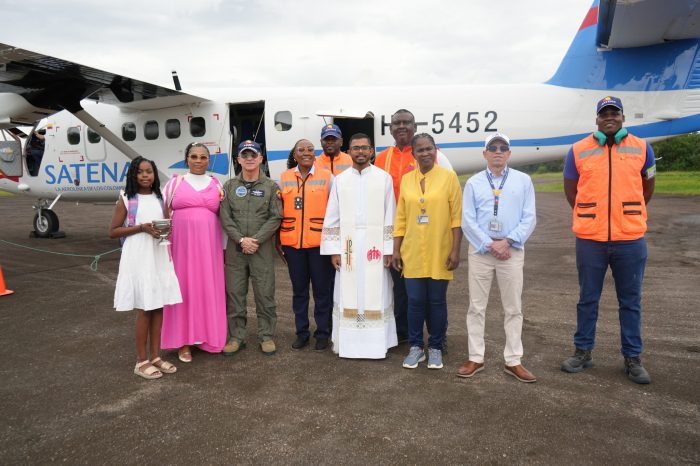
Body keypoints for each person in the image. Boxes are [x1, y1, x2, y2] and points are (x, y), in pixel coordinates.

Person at [561, 96, 656, 385]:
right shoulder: (578, 150)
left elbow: (647, 187)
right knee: (587, 299)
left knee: (630, 301)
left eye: (614, 113)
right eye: (604, 114)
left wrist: (627, 214)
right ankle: (583, 351)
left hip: (630, 238)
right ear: (597, 119)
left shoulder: (642, 148)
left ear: (623, 118)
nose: (609, 117)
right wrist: (593, 217)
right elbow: (571, 191)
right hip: (591, 239)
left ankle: (632, 358)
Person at [458, 132, 537, 383]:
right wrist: (489, 244)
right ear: (485, 154)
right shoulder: (474, 183)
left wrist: (508, 241)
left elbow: (529, 217)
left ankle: (513, 360)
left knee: (513, 308)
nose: (498, 151)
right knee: (476, 307)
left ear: (509, 153)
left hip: (511, 250)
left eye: (503, 147)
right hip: (482, 252)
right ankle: (475, 357)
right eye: (493, 147)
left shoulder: (523, 181)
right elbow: (467, 220)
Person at [374, 109, 453, 344]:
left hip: (430, 234)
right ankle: (406, 335)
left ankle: (439, 337)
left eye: (406, 122)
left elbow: (450, 196)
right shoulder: (381, 158)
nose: (401, 126)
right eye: (396, 122)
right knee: (402, 289)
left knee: (433, 290)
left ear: (414, 126)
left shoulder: (433, 154)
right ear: (389, 129)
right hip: (397, 234)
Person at [320, 133, 398, 359]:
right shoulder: (340, 180)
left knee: (377, 292)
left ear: (372, 151)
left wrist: (387, 249)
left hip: (375, 247)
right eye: (356, 148)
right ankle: (349, 344)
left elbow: (389, 215)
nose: (361, 152)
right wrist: (334, 250)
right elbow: (332, 216)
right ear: (349, 151)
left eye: (365, 148)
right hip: (349, 245)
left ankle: (377, 344)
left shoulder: (383, 178)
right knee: (348, 290)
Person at [392, 134, 462, 370]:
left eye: (429, 149)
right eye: (420, 150)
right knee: (414, 301)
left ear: (435, 151)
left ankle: (435, 347)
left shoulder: (448, 178)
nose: (425, 153)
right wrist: (396, 250)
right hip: (412, 250)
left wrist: (455, 249)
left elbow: (456, 218)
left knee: (436, 301)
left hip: (439, 249)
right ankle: (415, 347)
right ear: (413, 154)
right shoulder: (406, 180)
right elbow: (400, 218)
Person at [110, 156, 182, 379]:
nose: (145, 175)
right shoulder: (126, 198)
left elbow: (167, 224)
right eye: (140, 172)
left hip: (158, 254)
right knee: (144, 307)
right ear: (133, 174)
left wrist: (164, 230)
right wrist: (141, 227)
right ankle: (141, 361)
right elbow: (113, 231)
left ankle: (155, 356)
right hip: (139, 256)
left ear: (154, 174)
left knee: (158, 306)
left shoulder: (160, 198)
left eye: (149, 171)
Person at [161, 143, 227, 362]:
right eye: (194, 156)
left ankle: (207, 337)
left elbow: (224, 218)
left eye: (203, 157)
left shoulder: (217, 184)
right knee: (184, 290)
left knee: (207, 289)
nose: (198, 160)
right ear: (186, 159)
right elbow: (162, 215)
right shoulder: (174, 184)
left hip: (210, 248)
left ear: (209, 160)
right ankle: (184, 342)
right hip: (181, 247)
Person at [220, 140, 283, 356]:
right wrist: (240, 240)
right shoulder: (228, 186)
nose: (249, 159)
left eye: (253, 155)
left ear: (260, 159)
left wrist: (255, 240)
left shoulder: (271, 187)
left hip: (261, 249)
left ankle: (266, 336)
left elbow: (276, 217)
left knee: (265, 293)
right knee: (235, 294)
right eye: (244, 155)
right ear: (238, 159)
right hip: (236, 251)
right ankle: (237, 337)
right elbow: (225, 217)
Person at [277, 139, 334, 351]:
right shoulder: (283, 178)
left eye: (310, 149)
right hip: (293, 245)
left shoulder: (328, 177)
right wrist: (278, 240)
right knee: (299, 292)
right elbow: (278, 211)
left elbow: (335, 213)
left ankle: (323, 333)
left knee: (322, 292)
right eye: (301, 150)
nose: (306, 153)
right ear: (294, 154)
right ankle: (302, 332)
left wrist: (333, 244)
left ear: (315, 153)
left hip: (320, 245)